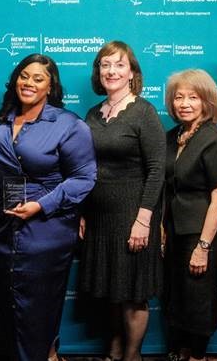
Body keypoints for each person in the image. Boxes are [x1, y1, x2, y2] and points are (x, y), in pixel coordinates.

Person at [0, 53, 97, 361]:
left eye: (38, 78)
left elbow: (84, 178)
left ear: (50, 86)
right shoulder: (2, 120)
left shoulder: (68, 124)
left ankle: (44, 354)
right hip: (1, 228)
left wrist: (41, 205)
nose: (29, 82)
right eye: (24, 75)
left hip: (45, 229)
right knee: (8, 306)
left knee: (36, 305)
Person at [79, 41, 165, 361]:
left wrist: (143, 220)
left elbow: (156, 169)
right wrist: (84, 213)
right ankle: (115, 349)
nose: (111, 71)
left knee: (132, 293)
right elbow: (86, 166)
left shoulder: (143, 111)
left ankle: (132, 355)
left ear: (132, 72)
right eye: (105, 65)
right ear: (98, 72)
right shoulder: (93, 113)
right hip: (100, 217)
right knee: (113, 289)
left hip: (133, 214)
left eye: (119, 65)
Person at [162, 69, 217, 361]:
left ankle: (198, 355)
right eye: (179, 97)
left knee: (198, 299)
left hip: (201, 233)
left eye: (193, 97)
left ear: (207, 102)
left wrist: (203, 247)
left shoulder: (213, 140)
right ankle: (180, 351)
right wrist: (163, 230)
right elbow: (166, 188)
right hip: (175, 230)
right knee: (176, 296)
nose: (185, 103)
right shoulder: (172, 136)